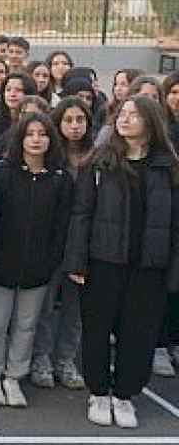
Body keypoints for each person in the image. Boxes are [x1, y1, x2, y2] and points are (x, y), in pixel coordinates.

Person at [65, 96, 179, 429]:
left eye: (134, 115)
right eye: (122, 114)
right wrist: (77, 260)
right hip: (103, 262)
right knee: (97, 330)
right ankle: (99, 391)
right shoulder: (99, 161)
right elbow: (82, 213)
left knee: (139, 334)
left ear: (151, 122)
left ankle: (125, 395)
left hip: (149, 267)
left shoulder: (168, 166)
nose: (124, 119)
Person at [0, 112, 72, 409]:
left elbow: (61, 226)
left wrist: (50, 261)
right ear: (20, 138)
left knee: (26, 324)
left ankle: (14, 376)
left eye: (42, 134)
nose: (36, 140)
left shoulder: (59, 179)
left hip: (38, 269)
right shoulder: (1, 174)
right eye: (30, 134)